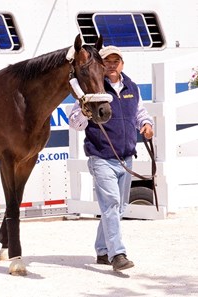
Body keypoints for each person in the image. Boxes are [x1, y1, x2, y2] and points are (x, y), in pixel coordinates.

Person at [69, 45, 154, 271]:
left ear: (122, 64)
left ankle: (102, 250)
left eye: (116, 61)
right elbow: (75, 122)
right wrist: (85, 113)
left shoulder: (132, 87)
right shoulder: (94, 88)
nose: (112, 65)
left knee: (119, 206)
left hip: (126, 157)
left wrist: (146, 125)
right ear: (101, 65)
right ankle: (118, 254)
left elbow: (139, 113)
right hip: (102, 156)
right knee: (111, 204)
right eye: (108, 61)